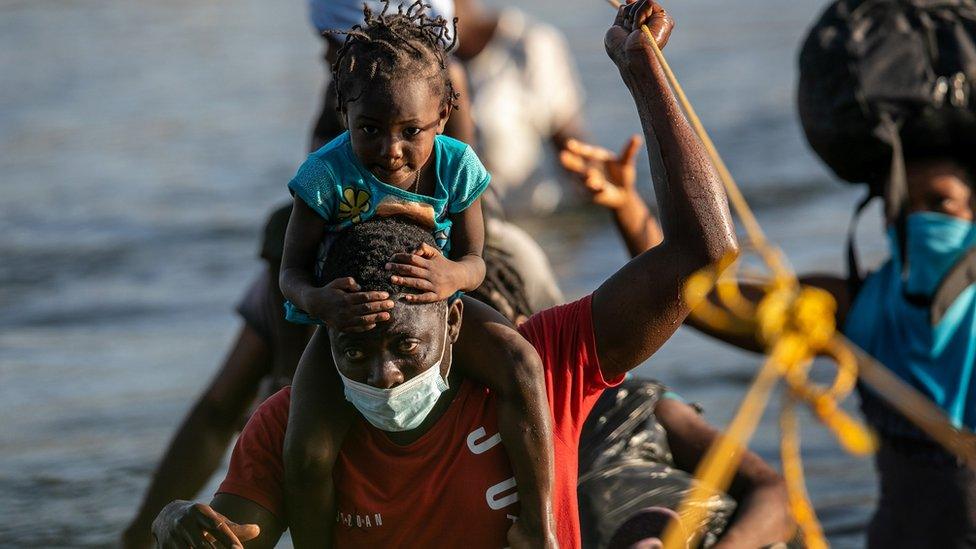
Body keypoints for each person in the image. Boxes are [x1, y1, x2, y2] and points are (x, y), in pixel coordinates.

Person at [147, 2, 758, 547]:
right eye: (356, 350)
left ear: (451, 317)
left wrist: (642, 72)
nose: (384, 379)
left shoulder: (548, 368)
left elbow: (701, 253)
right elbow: (229, 532)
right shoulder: (285, 423)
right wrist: (174, 521)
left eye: (406, 346)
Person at [561, 95, 976, 548]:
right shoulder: (851, 305)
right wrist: (626, 206)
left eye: (941, 203)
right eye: (904, 206)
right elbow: (701, 299)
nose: (921, 219)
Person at [277, 3, 557, 545]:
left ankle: (540, 527)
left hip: (429, 305)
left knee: (522, 362)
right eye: (370, 130)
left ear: (445, 114)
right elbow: (289, 272)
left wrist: (451, 277)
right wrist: (320, 304)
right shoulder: (322, 176)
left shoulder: (457, 166)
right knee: (306, 450)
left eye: (411, 130)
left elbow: (477, 259)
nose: (390, 150)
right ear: (343, 112)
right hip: (347, 320)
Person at [451, 0, 587, 214]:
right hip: (460, 225)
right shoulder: (417, 58)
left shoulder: (530, 43)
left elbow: (567, 140)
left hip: (531, 219)